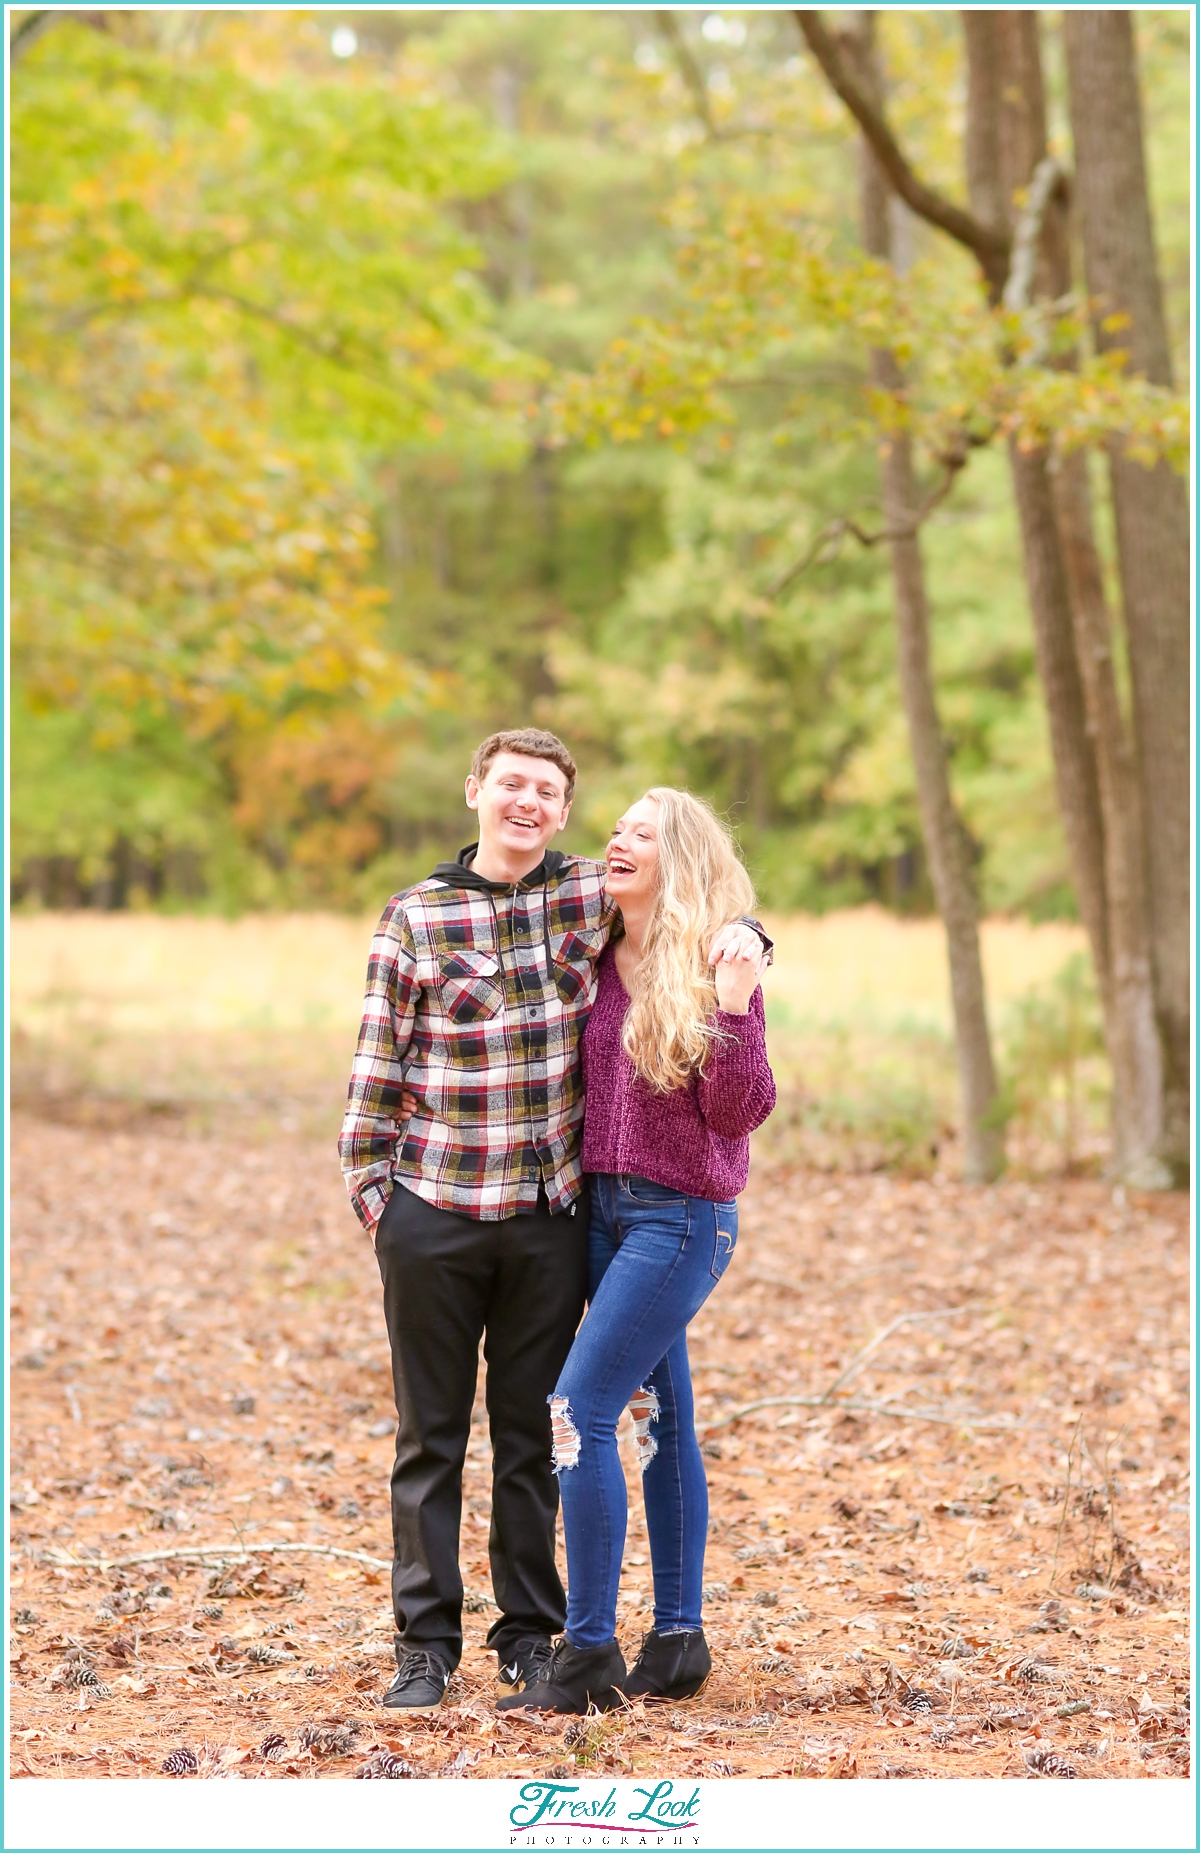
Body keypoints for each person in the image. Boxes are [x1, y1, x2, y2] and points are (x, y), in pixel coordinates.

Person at [338, 730, 771, 1713]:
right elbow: (372, 1072)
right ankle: (457, 1644)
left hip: (594, 1219)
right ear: (475, 791)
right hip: (464, 1212)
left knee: (560, 1423)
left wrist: (752, 956)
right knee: (464, 1434)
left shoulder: (638, 922)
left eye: (548, 790)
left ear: (559, 812)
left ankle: (555, 1645)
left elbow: (715, 923)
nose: (528, 801)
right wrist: (381, 1204)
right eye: (510, 784)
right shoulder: (439, 915)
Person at [498, 788, 775, 1717]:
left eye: (641, 834)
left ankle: (585, 1655)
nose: (615, 841)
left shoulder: (716, 963)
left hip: (681, 1220)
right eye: (614, 829)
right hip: (605, 1217)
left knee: (578, 1411)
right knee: (663, 1425)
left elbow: (741, 1112)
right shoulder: (597, 947)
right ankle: (678, 1638)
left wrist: (735, 998)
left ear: (680, 858)